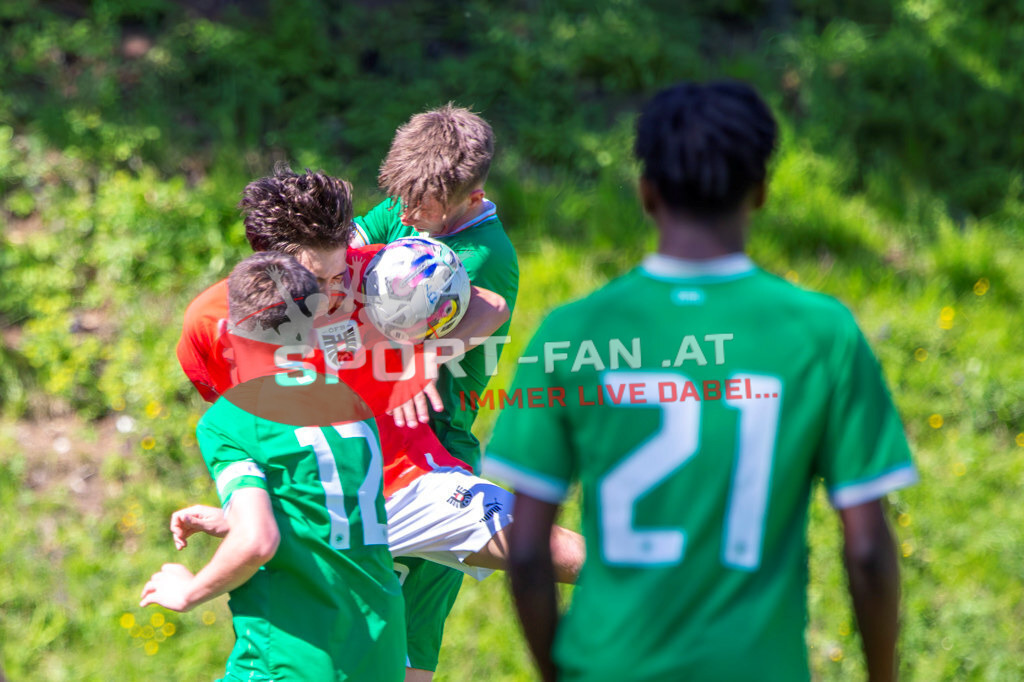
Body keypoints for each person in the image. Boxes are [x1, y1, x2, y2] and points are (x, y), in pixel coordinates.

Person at [484, 81, 917, 682]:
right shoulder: (823, 334)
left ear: (646, 192)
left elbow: (528, 553)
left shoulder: (572, 332)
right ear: (760, 191)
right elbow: (868, 551)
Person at [176, 166, 583, 681]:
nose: (332, 291)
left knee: (532, 539)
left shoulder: (383, 275)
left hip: (408, 478)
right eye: (316, 280)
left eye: (337, 271)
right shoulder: (209, 324)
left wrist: (429, 355)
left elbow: (490, 305)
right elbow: (251, 431)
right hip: (316, 512)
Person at [143, 251, 406, 681]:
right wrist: (234, 519)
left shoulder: (234, 417)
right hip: (381, 651)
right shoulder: (349, 402)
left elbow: (257, 541)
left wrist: (188, 591)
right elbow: (333, 519)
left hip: (297, 656)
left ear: (226, 332)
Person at [350, 104, 526, 679]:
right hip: (374, 436)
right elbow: (343, 256)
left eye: (421, 209)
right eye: (400, 201)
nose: (404, 217)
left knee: (406, 652)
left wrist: (427, 355)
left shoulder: (485, 256)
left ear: (471, 200)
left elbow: (488, 309)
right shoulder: (409, 206)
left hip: (435, 447)